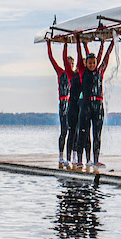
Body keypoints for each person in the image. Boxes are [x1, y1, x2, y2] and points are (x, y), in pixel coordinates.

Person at [77, 35, 113, 169]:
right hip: (86, 105)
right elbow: (80, 54)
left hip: (98, 105)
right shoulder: (82, 71)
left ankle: (96, 159)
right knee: (83, 132)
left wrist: (111, 42)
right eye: (90, 63)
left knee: (97, 133)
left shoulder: (100, 71)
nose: (92, 65)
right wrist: (78, 41)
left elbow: (106, 57)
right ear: (86, 63)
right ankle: (80, 159)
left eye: (94, 63)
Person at [46, 37, 78, 167]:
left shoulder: (76, 74)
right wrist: (49, 44)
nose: (70, 66)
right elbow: (51, 58)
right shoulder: (61, 72)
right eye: (68, 63)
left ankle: (74, 156)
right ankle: (61, 155)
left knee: (74, 131)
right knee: (64, 130)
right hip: (64, 103)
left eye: (72, 64)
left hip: (73, 103)